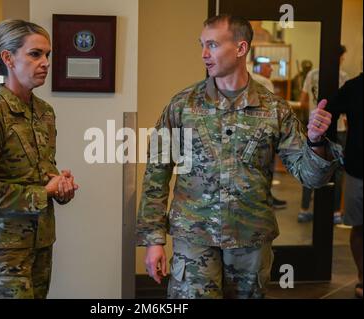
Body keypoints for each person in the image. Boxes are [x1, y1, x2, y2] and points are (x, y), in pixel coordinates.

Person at [136, 14, 342, 299]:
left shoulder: (274, 109)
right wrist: (153, 240)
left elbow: (311, 177)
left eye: (213, 45)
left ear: (241, 48)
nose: (204, 54)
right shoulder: (182, 106)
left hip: (250, 242)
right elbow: (156, 173)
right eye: (202, 45)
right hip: (194, 240)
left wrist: (316, 142)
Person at [0, 20, 78, 299]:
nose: (45, 63)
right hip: (0, 248)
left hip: (40, 242)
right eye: (35, 54)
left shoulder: (44, 112)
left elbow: (42, 171)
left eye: (47, 55)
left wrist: (60, 184)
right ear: (8, 58)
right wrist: (43, 192)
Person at [298, 45, 349, 223]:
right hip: (338, 128)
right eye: (342, 58)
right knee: (338, 172)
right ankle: (335, 213)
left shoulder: (312, 74)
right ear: (340, 57)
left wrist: (309, 119)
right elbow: (347, 106)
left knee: (310, 164)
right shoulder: (342, 76)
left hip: (315, 127)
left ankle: (304, 209)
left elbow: (303, 100)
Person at [327, 73, 363, 298]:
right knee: (359, 226)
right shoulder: (354, 87)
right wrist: (329, 149)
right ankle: (362, 276)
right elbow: (329, 111)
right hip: (358, 168)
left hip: (355, 166)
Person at [251, 56, 287, 209]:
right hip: (264, 132)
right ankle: (266, 199)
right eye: (268, 66)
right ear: (258, 68)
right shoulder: (265, 82)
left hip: (248, 133)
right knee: (266, 167)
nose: (271, 69)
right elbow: (271, 109)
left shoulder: (246, 79)